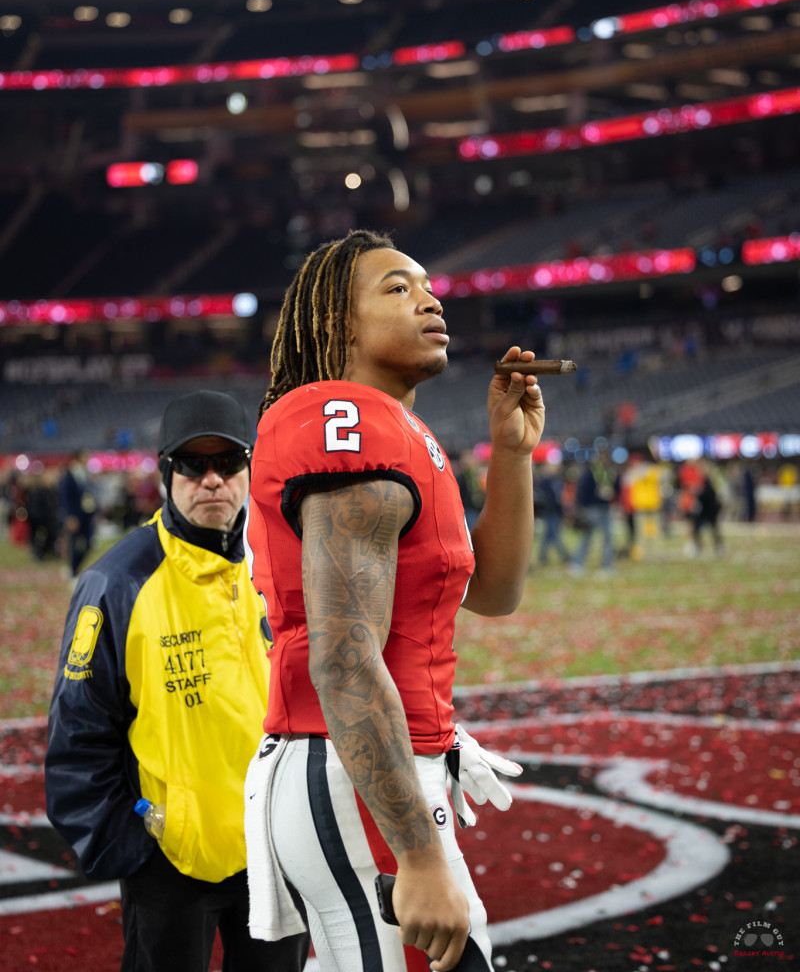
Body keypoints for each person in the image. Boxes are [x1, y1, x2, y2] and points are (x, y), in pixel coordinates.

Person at [244, 229, 545, 972]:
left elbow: (495, 592)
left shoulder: (398, 427)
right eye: (397, 288)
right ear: (337, 326)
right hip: (353, 766)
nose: (429, 296)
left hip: (366, 764)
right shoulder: (343, 418)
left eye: (426, 283)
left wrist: (511, 453)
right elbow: (344, 658)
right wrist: (417, 852)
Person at [45, 390, 309, 972]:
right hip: (168, 864)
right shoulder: (116, 584)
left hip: (277, 854)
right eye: (193, 463)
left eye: (228, 463)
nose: (212, 479)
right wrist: (136, 848)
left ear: (250, 469)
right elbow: (78, 736)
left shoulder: (285, 564)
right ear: (167, 473)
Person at [569, 450, 617, 575]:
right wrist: (582, 508)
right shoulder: (591, 472)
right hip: (592, 508)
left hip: (605, 507)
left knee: (607, 537)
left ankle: (607, 565)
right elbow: (582, 490)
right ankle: (577, 563)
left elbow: (616, 487)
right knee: (587, 537)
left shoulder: (610, 472)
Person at [57, 448, 97, 578]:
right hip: (75, 515)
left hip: (87, 514)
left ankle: (76, 567)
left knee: (88, 543)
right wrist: (70, 516)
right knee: (75, 543)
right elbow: (66, 497)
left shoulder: (85, 473)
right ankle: (73, 570)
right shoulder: (70, 475)